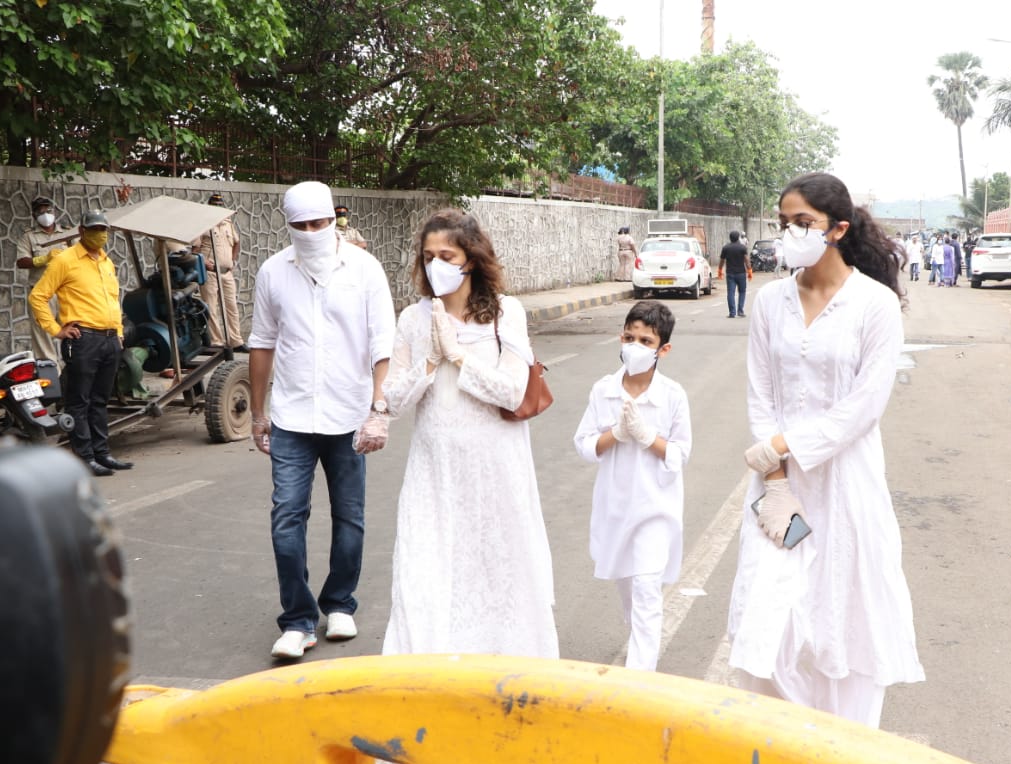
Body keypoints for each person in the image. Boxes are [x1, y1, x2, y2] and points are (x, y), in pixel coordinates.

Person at [729, 171, 923, 727]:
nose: (789, 232)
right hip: (776, 488)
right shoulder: (769, 303)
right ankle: (784, 751)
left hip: (846, 484)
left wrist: (784, 445)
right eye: (784, 222)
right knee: (771, 619)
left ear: (837, 229)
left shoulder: (875, 305)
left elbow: (863, 408)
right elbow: (761, 392)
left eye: (802, 223)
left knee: (842, 614)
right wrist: (774, 479)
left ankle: (841, 757)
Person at [380, 208, 558, 659]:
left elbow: (512, 390)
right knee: (426, 568)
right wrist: (429, 360)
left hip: (495, 468)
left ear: (471, 259)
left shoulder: (504, 313)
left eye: (446, 254)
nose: (435, 264)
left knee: (497, 568)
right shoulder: (412, 319)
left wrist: (458, 355)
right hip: (434, 471)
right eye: (427, 256)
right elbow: (393, 402)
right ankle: (427, 671)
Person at [247, 181, 395, 660]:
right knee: (286, 517)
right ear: (287, 225)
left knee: (349, 516)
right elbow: (262, 342)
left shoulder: (365, 269)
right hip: (291, 415)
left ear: (335, 220)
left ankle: (340, 603)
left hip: (349, 414)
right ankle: (297, 620)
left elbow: (382, 342)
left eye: (320, 223)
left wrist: (379, 409)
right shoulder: (273, 272)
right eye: (301, 225)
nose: (311, 232)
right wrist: (256, 412)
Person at [573, 300, 692, 671]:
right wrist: (617, 434)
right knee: (627, 584)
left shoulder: (672, 395)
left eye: (645, 341)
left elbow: (680, 453)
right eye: (629, 337)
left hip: (655, 507)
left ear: (663, 349)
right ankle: (640, 638)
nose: (635, 346)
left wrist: (646, 437)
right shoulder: (603, 390)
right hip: (616, 506)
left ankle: (641, 677)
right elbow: (585, 444)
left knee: (645, 587)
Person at [28, 211, 133, 478]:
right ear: (81, 230)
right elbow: (37, 297)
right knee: (79, 402)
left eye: (104, 229)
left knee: (100, 400)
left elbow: (112, 300)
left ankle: (102, 453)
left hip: (110, 339)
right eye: (95, 229)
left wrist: (119, 333)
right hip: (83, 339)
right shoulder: (65, 260)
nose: (101, 234)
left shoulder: (107, 262)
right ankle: (84, 458)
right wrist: (56, 330)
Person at [15, 196, 73, 366]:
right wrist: (43, 259)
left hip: (65, 291)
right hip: (41, 293)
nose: (45, 214)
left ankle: (75, 373)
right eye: (40, 211)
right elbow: (21, 261)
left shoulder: (68, 233)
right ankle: (52, 379)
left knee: (75, 331)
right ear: (34, 216)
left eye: (48, 210)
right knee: (43, 337)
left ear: (54, 211)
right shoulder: (29, 237)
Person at [194, 192, 248, 352]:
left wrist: (232, 260)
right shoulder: (203, 224)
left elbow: (237, 243)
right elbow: (195, 249)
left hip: (226, 272)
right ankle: (216, 341)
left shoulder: (228, 224)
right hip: (210, 272)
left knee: (232, 306)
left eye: (219, 206)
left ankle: (236, 341)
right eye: (214, 206)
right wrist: (205, 262)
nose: (217, 208)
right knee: (211, 307)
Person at [717, 229, 752, 319]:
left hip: (730, 274)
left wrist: (720, 270)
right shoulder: (742, 248)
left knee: (731, 293)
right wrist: (749, 271)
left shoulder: (726, 248)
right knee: (742, 292)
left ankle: (732, 313)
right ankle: (740, 311)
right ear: (738, 238)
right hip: (741, 273)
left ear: (730, 238)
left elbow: (722, 260)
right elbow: (746, 260)